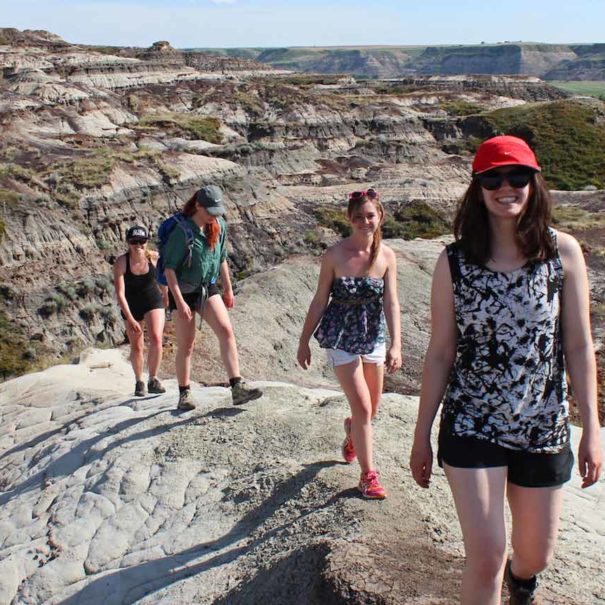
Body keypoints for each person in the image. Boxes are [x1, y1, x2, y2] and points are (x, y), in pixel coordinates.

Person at [409, 135, 603, 605]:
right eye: (492, 178)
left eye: (517, 176)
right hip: (472, 422)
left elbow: (578, 345)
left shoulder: (563, 253)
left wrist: (592, 429)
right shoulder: (453, 263)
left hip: (543, 424)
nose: (506, 186)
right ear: (477, 189)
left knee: (534, 555)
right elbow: (440, 353)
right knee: (487, 554)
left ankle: (523, 581)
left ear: (534, 183)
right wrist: (421, 434)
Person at [297, 188, 402, 499]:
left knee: (372, 410)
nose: (365, 221)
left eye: (370, 215)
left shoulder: (387, 256)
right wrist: (303, 341)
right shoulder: (335, 255)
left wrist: (397, 344)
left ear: (380, 217)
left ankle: (353, 431)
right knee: (362, 406)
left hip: (373, 335)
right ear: (349, 219)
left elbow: (391, 302)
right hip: (341, 334)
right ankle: (368, 476)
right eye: (358, 217)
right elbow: (319, 300)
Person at [163, 184, 263, 411]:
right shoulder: (183, 232)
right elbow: (169, 269)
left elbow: (222, 258)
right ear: (197, 205)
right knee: (186, 345)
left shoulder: (218, 225)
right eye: (210, 211)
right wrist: (178, 301)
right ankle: (184, 393)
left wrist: (227, 288)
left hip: (207, 288)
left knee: (226, 332)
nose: (213, 216)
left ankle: (237, 386)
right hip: (184, 292)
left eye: (217, 211)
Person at [113, 225, 166, 397]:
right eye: (134, 241)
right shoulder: (122, 262)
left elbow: (163, 279)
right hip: (132, 305)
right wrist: (130, 318)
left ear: (146, 241)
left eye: (142, 241)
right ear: (128, 242)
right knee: (137, 346)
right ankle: (139, 381)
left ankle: (153, 378)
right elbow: (120, 293)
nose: (138, 245)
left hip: (152, 300)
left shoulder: (154, 258)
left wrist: (166, 295)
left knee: (157, 339)